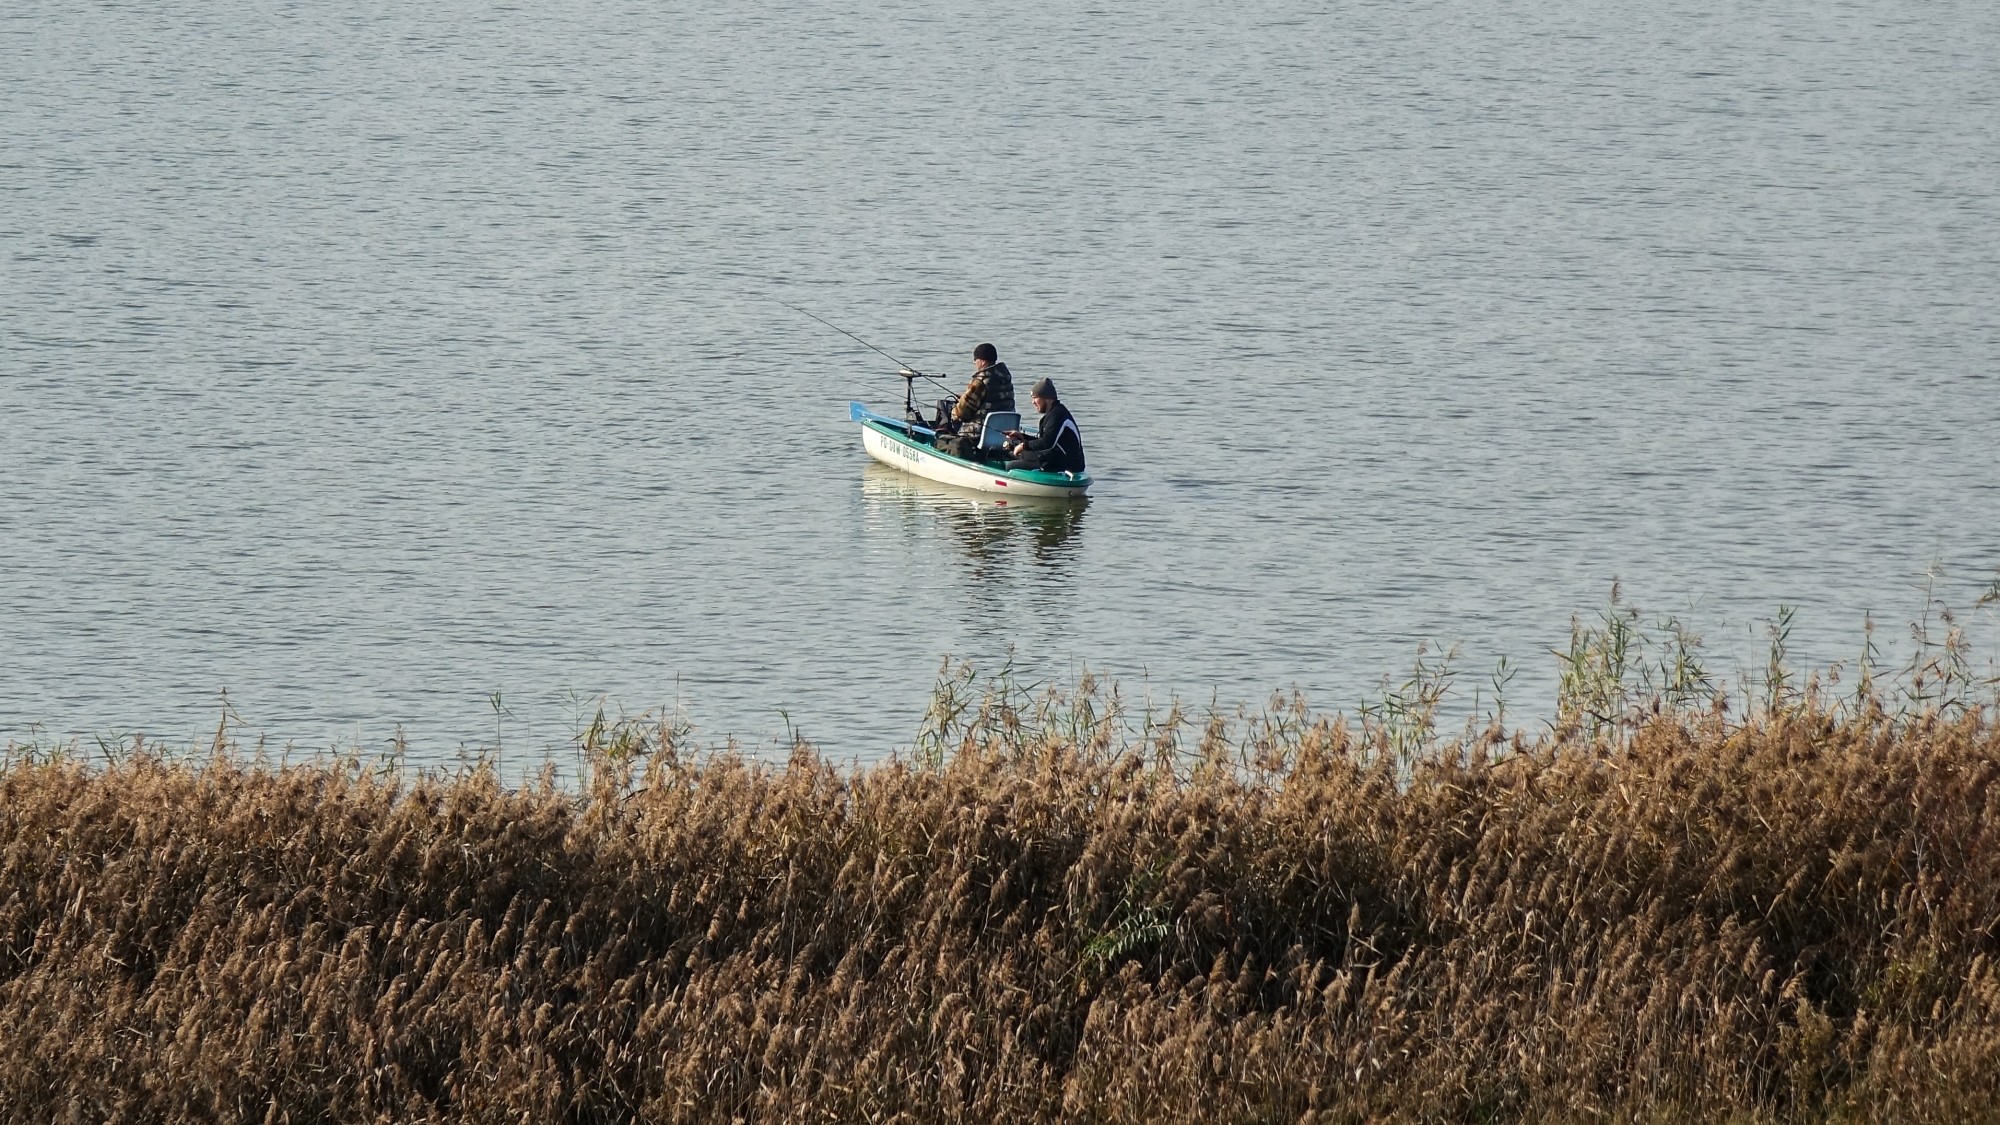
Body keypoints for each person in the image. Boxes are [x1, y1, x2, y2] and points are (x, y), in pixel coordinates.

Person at [932, 343, 1016, 437]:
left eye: (975, 360)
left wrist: (955, 409)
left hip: (978, 434)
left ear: (983, 361)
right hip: (1005, 433)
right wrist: (965, 397)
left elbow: (961, 414)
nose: (974, 363)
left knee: (945, 410)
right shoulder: (1005, 378)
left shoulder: (981, 381)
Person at [1004, 378, 1085, 473]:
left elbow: (1048, 442)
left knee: (1011, 465)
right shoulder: (1052, 414)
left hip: (1069, 465)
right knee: (1018, 453)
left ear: (1046, 397)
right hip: (1056, 458)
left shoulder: (1057, 414)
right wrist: (1022, 437)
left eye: (1035, 397)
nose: (1032, 402)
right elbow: (1042, 441)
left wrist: (1024, 445)